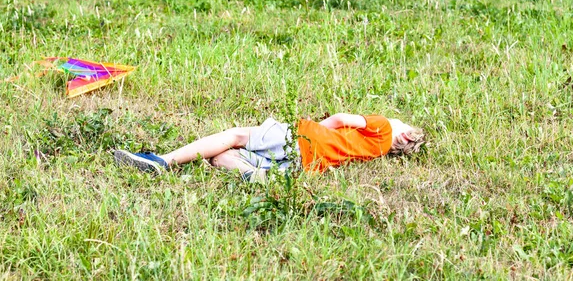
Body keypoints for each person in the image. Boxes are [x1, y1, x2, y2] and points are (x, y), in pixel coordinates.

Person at [113, 113, 425, 180]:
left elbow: (344, 117)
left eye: (406, 124)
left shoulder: (383, 128)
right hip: (305, 165)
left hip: (303, 139)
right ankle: (255, 176)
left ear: (407, 136)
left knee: (235, 135)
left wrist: (318, 126)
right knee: (221, 156)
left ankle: (162, 161)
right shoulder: (378, 151)